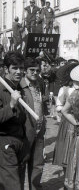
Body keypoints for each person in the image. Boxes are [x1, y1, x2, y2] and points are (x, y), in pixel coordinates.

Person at [0, 52, 27, 190]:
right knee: (12, 185)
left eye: (21, 68)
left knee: (19, 183)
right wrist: (11, 104)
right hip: (5, 142)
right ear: (6, 69)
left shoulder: (20, 88)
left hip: (20, 141)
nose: (19, 71)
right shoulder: (0, 88)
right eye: (14, 68)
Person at [20, 57, 46, 190]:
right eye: (32, 70)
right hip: (25, 131)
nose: (35, 73)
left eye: (37, 70)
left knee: (37, 164)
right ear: (25, 71)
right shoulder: (19, 85)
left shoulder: (40, 83)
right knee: (22, 164)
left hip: (39, 130)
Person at [52, 62, 79, 171]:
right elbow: (59, 106)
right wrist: (69, 109)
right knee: (67, 150)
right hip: (68, 122)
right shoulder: (64, 89)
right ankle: (67, 177)